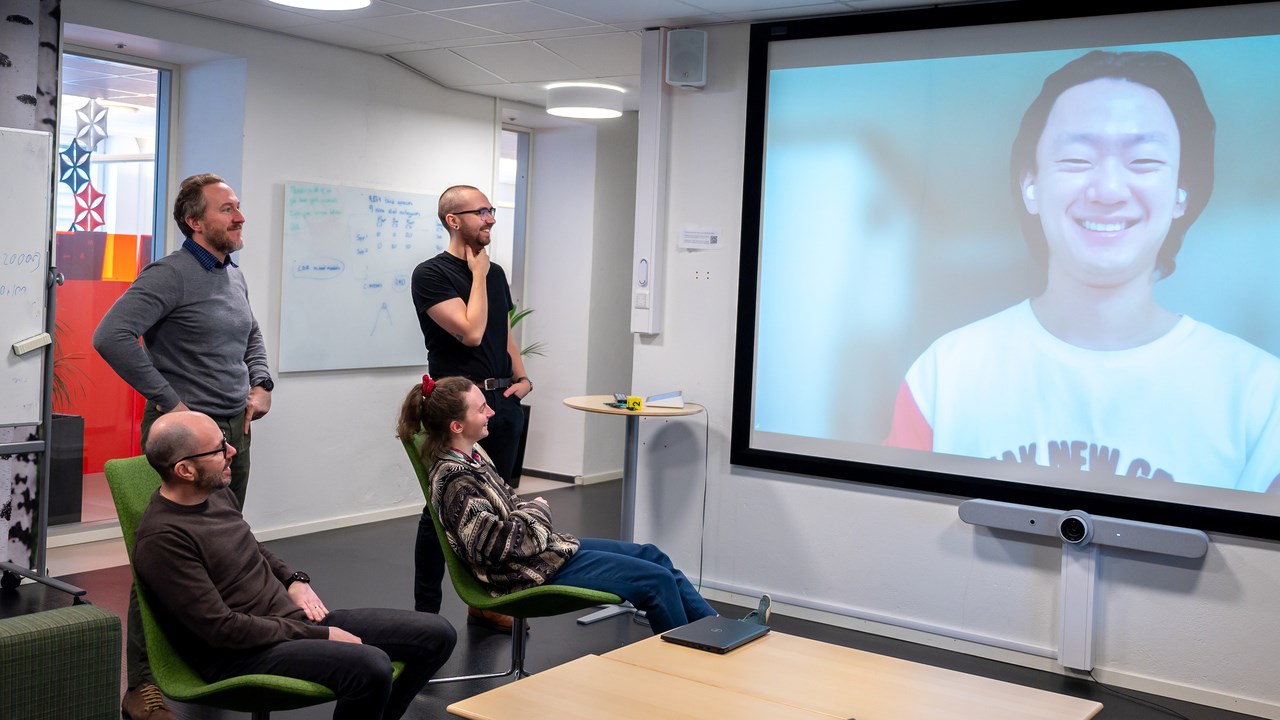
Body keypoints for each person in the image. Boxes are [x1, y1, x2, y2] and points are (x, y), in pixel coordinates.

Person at [886, 50, 1280, 493]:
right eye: (1076, 160)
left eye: (1144, 162)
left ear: (1180, 193)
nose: (1108, 190)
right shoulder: (946, 374)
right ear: (1030, 185)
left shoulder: (1260, 397)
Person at [134, 411, 456, 720]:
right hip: (239, 653)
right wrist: (320, 634)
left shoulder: (214, 493)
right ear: (185, 470)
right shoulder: (163, 540)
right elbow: (222, 630)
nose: (232, 450)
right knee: (370, 666)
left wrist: (293, 580)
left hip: (288, 624)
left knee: (437, 634)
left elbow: (252, 545)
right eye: (220, 449)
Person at [93, 172, 274, 718]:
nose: (239, 216)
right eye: (227, 209)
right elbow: (111, 336)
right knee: (162, 558)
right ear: (195, 222)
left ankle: (214, 656)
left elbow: (251, 334)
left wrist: (261, 382)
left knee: (225, 551)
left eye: (239, 206)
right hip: (183, 441)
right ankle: (143, 685)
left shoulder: (231, 275)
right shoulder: (170, 275)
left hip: (230, 434)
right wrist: (170, 402)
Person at [396, 375, 772, 634]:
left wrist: (531, 515)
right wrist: (540, 510)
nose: (491, 411)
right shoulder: (456, 480)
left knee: (652, 556)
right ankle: (684, 670)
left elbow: (513, 516)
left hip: (540, 553)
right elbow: (499, 546)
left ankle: (721, 631)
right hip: (523, 572)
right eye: (481, 408)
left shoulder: (472, 457)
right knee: (654, 583)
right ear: (457, 427)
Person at [409, 185, 532, 627]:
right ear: (453, 220)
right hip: (456, 406)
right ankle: (425, 614)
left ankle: (486, 601)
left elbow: (503, 331)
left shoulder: (496, 273)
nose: (491, 219)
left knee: (499, 504)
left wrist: (521, 379)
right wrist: (477, 275)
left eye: (491, 210)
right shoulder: (431, 275)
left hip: (501, 402)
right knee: (442, 507)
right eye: (481, 212)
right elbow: (471, 331)